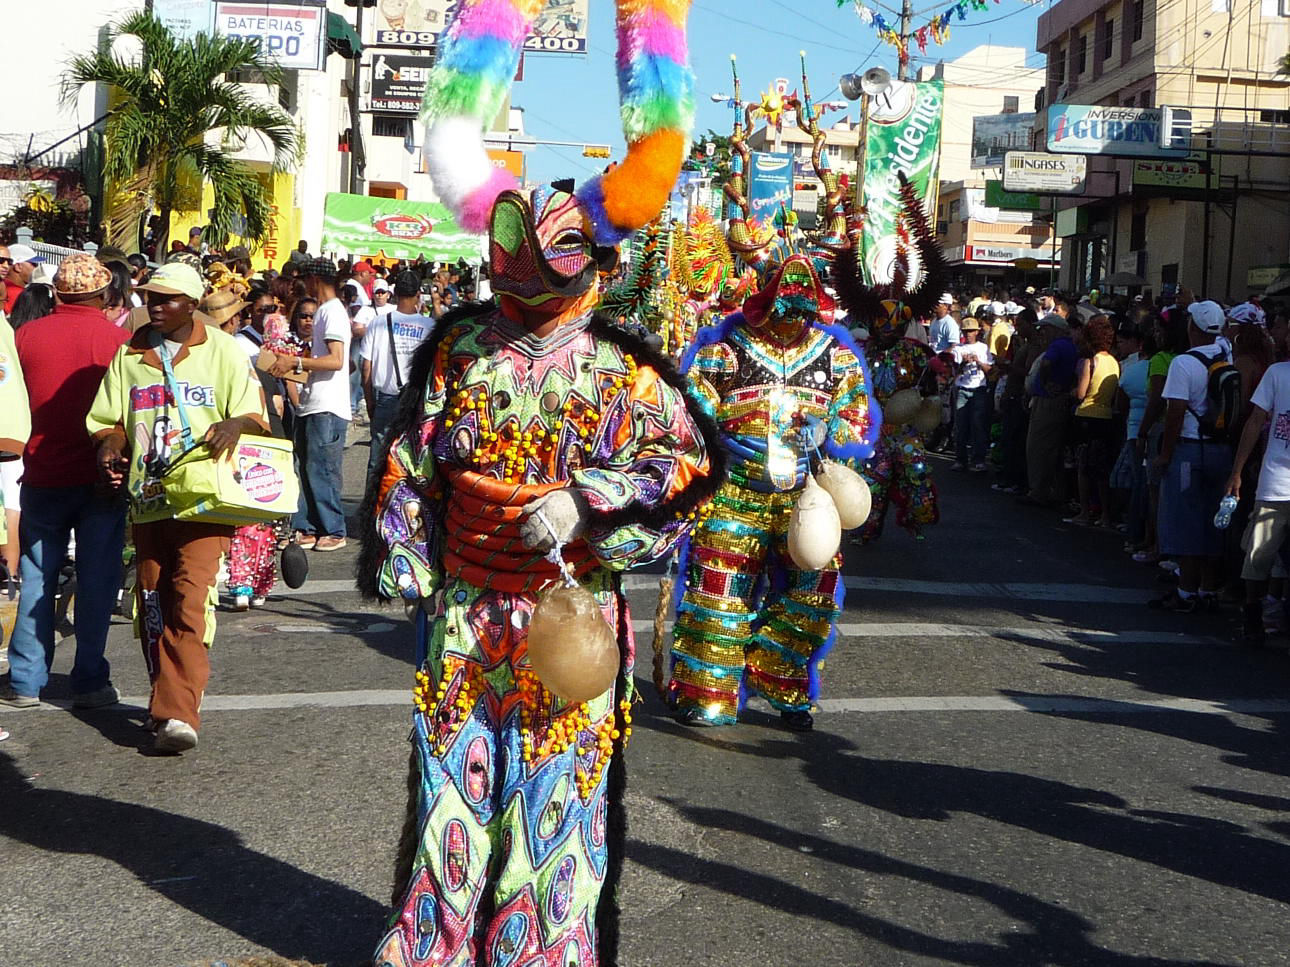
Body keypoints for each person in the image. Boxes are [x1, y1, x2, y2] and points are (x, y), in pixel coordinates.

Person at [86, 262, 269, 752]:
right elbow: (107, 416)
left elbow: (256, 414)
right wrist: (111, 440)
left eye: (167, 299)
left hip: (206, 497)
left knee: (191, 597)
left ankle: (178, 713)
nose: (156, 306)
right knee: (153, 601)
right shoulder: (130, 354)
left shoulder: (225, 351)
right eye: (151, 297)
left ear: (192, 304)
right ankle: (162, 699)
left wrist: (237, 425)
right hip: (148, 499)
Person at [0, 254, 131, 712]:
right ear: (103, 294)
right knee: (97, 580)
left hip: (42, 472)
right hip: (102, 477)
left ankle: (25, 680)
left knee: (37, 576)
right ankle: (90, 679)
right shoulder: (119, 340)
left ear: (57, 293)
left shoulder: (26, 336)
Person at [1152, 300, 1233, 612]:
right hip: (1221, 448)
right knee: (1214, 519)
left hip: (1189, 447)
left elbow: (1175, 413)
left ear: (1193, 328)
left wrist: (1164, 454)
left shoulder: (1183, 364)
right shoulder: (1227, 353)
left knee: (1187, 520)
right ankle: (1209, 588)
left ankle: (1186, 591)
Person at [267, 259, 350, 552]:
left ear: (315, 279)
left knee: (320, 469)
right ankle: (311, 527)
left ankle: (333, 529)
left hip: (327, 405)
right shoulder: (329, 311)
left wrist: (297, 362)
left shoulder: (332, 312)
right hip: (314, 402)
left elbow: (337, 360)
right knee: (306, 468)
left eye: (305, 279)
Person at [1226, 352, 1290, 645]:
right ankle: (1252, 614)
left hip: (1275, 480)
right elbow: (1255, 421)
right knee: (1258, 553)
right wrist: (1237, 471)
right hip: (1276, 483)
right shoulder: (1278, 373)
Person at [358, 271, 432, 481]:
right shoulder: (428, 327)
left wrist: (370, 401)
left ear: (394, 293)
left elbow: (366, 366)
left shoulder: (378, 322)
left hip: (385, 398)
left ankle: (373, 508)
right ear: (418, 294)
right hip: (415, 401)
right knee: (410, 458)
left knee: (378, 458)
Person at [1021, 296, 1076, 507]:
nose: (1041, 333)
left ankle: (1038, 491)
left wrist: (1045, 383)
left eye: (1045, 329)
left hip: (1048, 401)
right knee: (1052, 448)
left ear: (1054, 329)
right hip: (1057, 401)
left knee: (1037, 446)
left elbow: (1046, 363)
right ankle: (1054, 491)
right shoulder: (1069, 346)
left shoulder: (1058, 345)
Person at [1067, 315, 1120, 527]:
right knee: (1102, 469)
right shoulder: (1114, 362)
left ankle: (1084, 512)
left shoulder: (1091, 362)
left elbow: (1081, 393)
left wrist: (1070, 391)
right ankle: (1106, 514)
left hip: (1087, 415)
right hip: (1106, 417)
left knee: (1084, 467)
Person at [950, 315, 993, 471]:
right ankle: (960, 459)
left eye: (971, 331)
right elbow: (954, 371)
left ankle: (978, 459)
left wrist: (979, 362)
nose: (968, 334)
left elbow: (990, 369)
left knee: (978, 424)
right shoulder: (958, 349)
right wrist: (963, 362)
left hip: (979, 389)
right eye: (965, 331)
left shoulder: (983, 348)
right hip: (962, 388)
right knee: (961, 425)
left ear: (977, 332)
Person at [234, 289, 277, 358]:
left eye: (272, 308)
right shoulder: (240, 341)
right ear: (249, 310)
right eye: (263, 309)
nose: (268, 313)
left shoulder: (283, 336)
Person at [3, 244, 43, 314]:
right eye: (34, 264)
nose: (37, 268)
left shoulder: (4, 287)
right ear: (18, 266)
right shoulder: (20, 296)